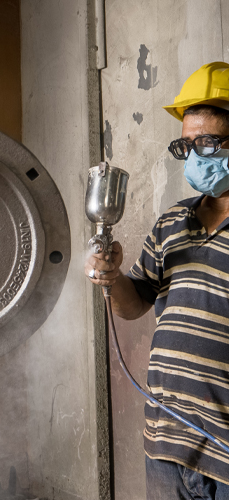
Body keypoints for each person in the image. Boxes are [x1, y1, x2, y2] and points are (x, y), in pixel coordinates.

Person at [85, 61, 229, 499]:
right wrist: (112, 278)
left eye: (207, 143)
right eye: (186, 146)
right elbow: (134, 305)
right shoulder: (172, 221)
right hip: (167, 439)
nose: (195, 157)